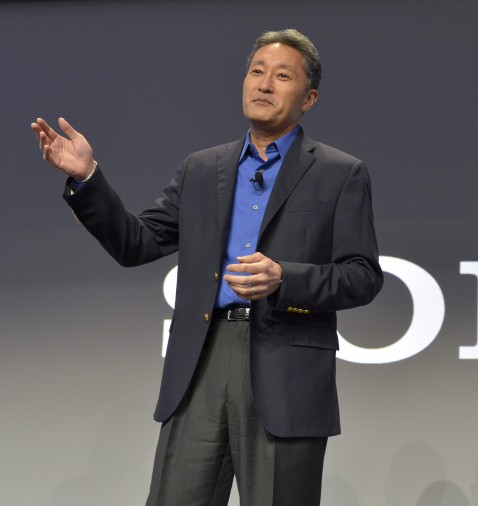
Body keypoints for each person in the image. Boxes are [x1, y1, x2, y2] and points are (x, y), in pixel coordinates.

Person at [31, 28, 382, 506]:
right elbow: (137, 242)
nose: (263, 84)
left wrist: (285, 279)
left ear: (309, 98)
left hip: (285, 367)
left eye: (282, 76)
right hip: (200, 363)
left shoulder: (339, 173)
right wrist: (87, 179)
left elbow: (362, 274)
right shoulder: (202, 169)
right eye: (256, 71)